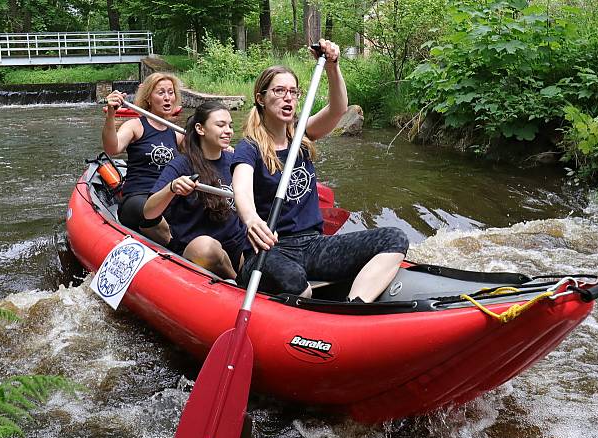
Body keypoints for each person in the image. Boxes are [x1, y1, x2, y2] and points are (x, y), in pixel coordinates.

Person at [231, 40, 409, 302]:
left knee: (394, 237)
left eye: (293, 92)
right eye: (279, 91)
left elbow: (338, 109)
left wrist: (333, 66)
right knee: (293, 280)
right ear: (261, 98)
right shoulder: (249, 147)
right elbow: (242, 189)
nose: (288, 97)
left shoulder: (302, 136)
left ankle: (354, 307)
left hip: (313, 245)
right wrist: (251, 219)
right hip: (271, 249)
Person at [143, 102, 246, 279]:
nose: (228, 131)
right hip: (197, 249)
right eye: (220, 125)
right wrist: (172, 188)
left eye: (230, 125)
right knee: (206, 248)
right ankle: (238, 284)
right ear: (200, 129)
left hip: (237, 243)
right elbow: (148, 212)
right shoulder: (181, 164)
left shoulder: (234, 160)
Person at [102, 72, 184, 245]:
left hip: (166, 196)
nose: (167, 97)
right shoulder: (135, 126)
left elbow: (201, 155)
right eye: (161, 93)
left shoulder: (177, 133)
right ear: (148, 98)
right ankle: (177, 251)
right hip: (138, 197)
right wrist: (111, 115)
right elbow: (112, 148)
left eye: (171, 92)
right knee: (155, 216)